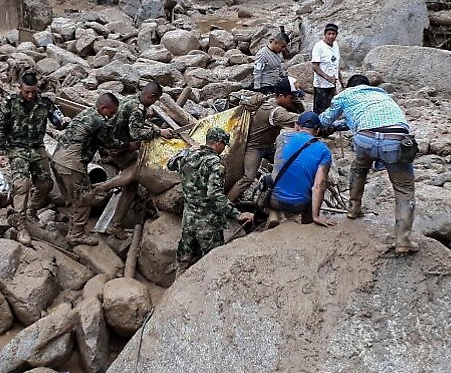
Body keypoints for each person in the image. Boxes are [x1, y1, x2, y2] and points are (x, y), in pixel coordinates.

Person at [320, 75, 418, 254]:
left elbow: (326, 120)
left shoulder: (345, 95)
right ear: (367, 85)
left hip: (365, 139)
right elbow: (372, 121)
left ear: (349, 86)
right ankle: (403, 240)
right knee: (404, 189)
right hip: (396, 140)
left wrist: (317, 123)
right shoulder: (383, 95)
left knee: (359, 168)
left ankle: (353, 208)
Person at [0, 72, 69, 246]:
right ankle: (20, 226)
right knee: (21, 184)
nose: (30, 95)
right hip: (17, 149)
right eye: (27, 92)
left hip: (37, 148)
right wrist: (1, 152)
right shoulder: (10, 103)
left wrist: (64, 121)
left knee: (46, 184)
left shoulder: (45, 103)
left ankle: (31, 211)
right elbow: (1, 129)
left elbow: (57, 119)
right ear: (19, 88)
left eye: (33, 92)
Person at [169, 127, 254, 273]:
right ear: (218, 143)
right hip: (208, 222)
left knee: (185, 259)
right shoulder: (216, 164)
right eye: (223, 145)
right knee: (213, 263)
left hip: (189, 217)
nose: (223, 149)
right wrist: (237, 214)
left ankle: (178, 290)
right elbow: (215, 195)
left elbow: (170, 163)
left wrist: (189, 151)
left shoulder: (189, 154)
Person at [98, 81, 174, 238]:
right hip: (121, 149)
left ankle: (119, 216)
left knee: (132, 182)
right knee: (133, 179)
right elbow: (136, 133)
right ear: (150, 96)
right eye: (155, 100)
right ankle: (100, 194)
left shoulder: (130, 99)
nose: (154, 103)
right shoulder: (137, 109)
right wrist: (159, 132)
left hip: (114, 143)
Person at [51, 93, 124, 247]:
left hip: (57, 158)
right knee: (85, 198)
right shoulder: (99, 121)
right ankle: (76, 235)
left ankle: (73, 226)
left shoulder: (85, 113)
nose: (111, 116)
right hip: (72, 164)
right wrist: (129, 145)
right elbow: (111, 143)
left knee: (71, 197)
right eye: (111, 113)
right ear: (103, 108)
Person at [228, 78, 301, 202]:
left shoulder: (275, 103)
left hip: (268, 146)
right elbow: (296, 119)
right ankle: (226, 204)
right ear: (281, 96)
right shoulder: (274, 111)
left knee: (290, 164)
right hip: (255, 147)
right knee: (248, 178)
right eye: (291, 97)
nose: (293, 100)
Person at [267, 111, 336, 227]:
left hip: (275, 201)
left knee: (267, 180)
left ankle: (272, 214)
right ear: (317, 131)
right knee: (312, 183)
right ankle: (307, 223)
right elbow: (319, 185)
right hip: (300, 205)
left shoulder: (282, 138)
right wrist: (316, 216)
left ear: (296, 126)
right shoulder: (324, 151)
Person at [311, 23, 342, 114]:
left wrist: (341, 79)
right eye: (329, 34)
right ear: (325, 35)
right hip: (321, 84)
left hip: (333, 83)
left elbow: (336, 63)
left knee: (330, 107)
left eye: (333, 34)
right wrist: (327, 77)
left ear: (336, 35)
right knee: (320, 109)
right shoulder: (319, 46)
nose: (331, 36)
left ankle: (329, 126)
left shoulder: (335, 45)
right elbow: (315, 66)